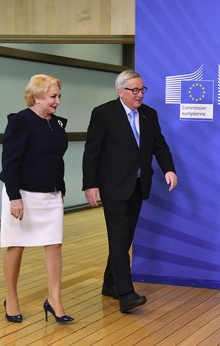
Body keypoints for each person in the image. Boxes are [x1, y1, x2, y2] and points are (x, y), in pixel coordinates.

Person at [82, 69, 177, 313]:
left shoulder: (149, 115)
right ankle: (126, 294)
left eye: (142, 89)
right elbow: (92, 152)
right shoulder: (103, 113)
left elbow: (159, 145)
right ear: (120, 91)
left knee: (123, 239)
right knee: (118, 238)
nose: (139, 95)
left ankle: (109, 284)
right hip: (112, 186)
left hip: (138, 185)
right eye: (134, 90)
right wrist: (90, 184)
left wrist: (169, 169)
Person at [0, 74, 74, 324]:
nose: (58, 101)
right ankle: (11, 298)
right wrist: (14, 196)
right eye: (53, 96)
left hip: (51, 194)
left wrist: (60, 190)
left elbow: (57, 159)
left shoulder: (56, 123)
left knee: (54, 246)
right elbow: (10, 161)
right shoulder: (21, 121)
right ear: (37, 96)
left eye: (58, 96)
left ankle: (54, 300)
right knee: (16, 245)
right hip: (23, 193)